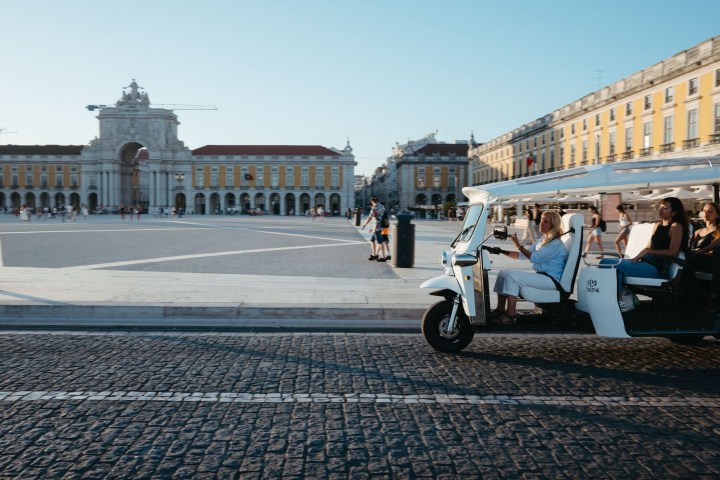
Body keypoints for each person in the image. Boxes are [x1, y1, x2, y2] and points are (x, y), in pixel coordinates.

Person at [600, 197, 690, 312]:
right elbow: (647, 247)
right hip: (647, 263)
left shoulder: (676, 226)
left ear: (674, 212)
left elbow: (673, 252)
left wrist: (649, 252)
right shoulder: (657, 226)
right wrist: (638, 256)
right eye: (660, 206)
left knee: (606, 262)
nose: (660, 209)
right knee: (614, 269)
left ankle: (621, 299)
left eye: (665, 207)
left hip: (658, 269)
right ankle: (621, 299)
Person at [490, 211, 568, 326]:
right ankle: (500, 309)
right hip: (542, 276)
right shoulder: (542, 240)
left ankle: (511, 315)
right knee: (503, 273)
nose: (541, 223)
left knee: (512, 276)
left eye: (545, 222)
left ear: (554, 225)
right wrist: (500, 251)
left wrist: (518, 245)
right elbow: (521, 255)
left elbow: (534, 258)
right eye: (541, 220)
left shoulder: (555, 244)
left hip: (551, 280)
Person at [680, 201, 720, 311]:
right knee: (682, 259)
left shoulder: (718, 230)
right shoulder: (698, 231)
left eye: (711, 211)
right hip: (697, 258)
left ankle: (707, 295)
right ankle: (692, 293)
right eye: (704, 211)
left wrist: (701, 251)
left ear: (717, 215)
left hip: (711, 261)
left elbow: (717, 245)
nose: (707, 213)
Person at [362, 196, 387, 262]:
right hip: (381, 226)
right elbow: (382, 216)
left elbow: (370, 218)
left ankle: (383, 257)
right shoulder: (382, 206)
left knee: (380, 242)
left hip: (377, 227)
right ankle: (374, 255)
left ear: (372, 201)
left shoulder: (374, 208)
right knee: (372, 240)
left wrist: (365, 224)